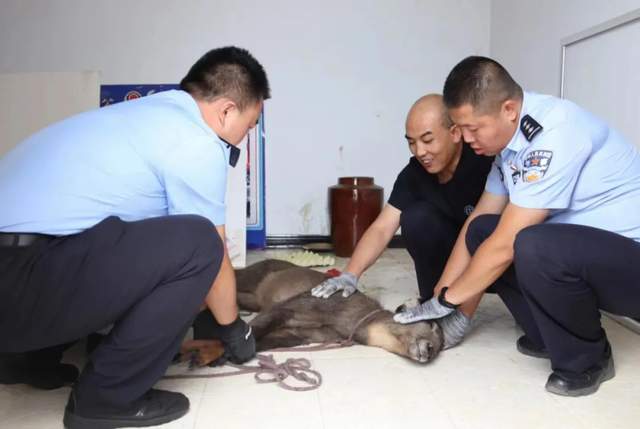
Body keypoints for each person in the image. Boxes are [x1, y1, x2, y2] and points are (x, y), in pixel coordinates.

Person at [0, 46, 269, 428]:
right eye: (250, 123)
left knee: (115, 237)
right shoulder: (195, 141)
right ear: (227, 110)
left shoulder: (143, 116)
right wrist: (233, 328)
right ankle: (106, 398)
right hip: (19, 285)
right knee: (200, 243)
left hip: (16, 285)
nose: (246, 135)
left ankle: (25, 360)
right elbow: (212, 254)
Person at [394, 55, 640, 397]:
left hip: (630, 265)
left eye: (473, 128)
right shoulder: (509, 150)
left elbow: (507, 242)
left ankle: (588, 359)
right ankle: (546, 336)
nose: (466, 138)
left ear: (508, 109)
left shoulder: (556, 132)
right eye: (461, 128)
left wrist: (448, 300)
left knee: (532, 243)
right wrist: (439, 300)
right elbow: (479, 222)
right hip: (590, 259)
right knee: (483, 231)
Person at [311, 94, 493, 349]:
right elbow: (382, 227)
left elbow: (493, 241)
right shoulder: (414, 174)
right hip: (450, 266)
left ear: (455, 133)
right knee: (417, 217)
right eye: (412, 143)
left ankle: (454, 312)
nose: (420, 152)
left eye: (427, 140)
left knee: (482, 230)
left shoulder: (485, 163)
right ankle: (433, 303)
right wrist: (350, 274)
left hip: (496, 265)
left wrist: (461, 318)